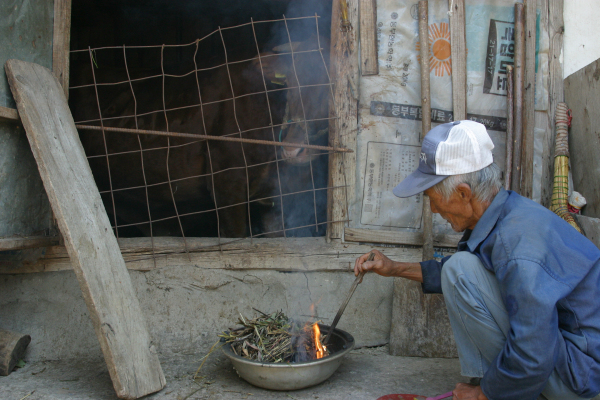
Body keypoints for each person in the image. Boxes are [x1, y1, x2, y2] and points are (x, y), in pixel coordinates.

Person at [354, 120, 600, 400]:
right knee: (461, 268)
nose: (433, 209)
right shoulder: (506, 211)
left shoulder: (516, 246)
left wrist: (484, 394)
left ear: (463, 193)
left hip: (581, 381)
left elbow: (534, 352)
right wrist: (394, 268)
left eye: (433, 199)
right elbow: (471, 273)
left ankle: (497, 389)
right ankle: (497, 383)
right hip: (570, 357)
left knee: (461, 271)